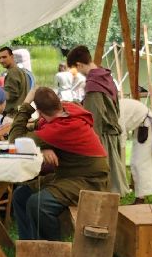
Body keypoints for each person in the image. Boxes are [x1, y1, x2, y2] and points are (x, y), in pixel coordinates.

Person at [8, 87, 109, 241]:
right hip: (70, 175)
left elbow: (14, 142)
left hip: (90, 180)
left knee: (38, 204)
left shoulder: (60, 128)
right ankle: (29, 246)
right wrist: (43, 146)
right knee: (21, 195)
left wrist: (26, 105)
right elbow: (41, 126)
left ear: (39, 112)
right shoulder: (68, 109)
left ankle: (51, 250)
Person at [66, 46, 126, 195]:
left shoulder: (94, 85)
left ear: (79, 64)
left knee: (103, 185)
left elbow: (94, 118)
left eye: (75, 69)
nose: (77, 72)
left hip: (103, 137)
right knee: (110, 184)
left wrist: (91, 145)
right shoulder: (105, 77)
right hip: (111, 133)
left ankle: (105, 208)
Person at [0, 46, 30, 121]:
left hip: (13, 116)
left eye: (4, 57)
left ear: (12, 57)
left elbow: (10, 95)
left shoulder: (13, 72)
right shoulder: (22, 71)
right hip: (22, 114)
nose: (1, 60)